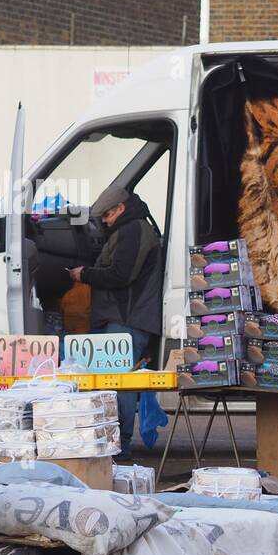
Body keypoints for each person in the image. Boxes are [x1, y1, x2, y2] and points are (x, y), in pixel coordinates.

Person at [68, 186, 163, 459]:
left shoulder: (133, 230)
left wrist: (84, 274)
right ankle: (114, 444)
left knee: (120, 385)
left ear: (121, 208)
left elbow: (120, 275)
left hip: (127, 320)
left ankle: (120, 448)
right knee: (114, 384)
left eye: (107, 215)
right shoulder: (130, 229)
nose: (105, 221)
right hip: (122, 320)